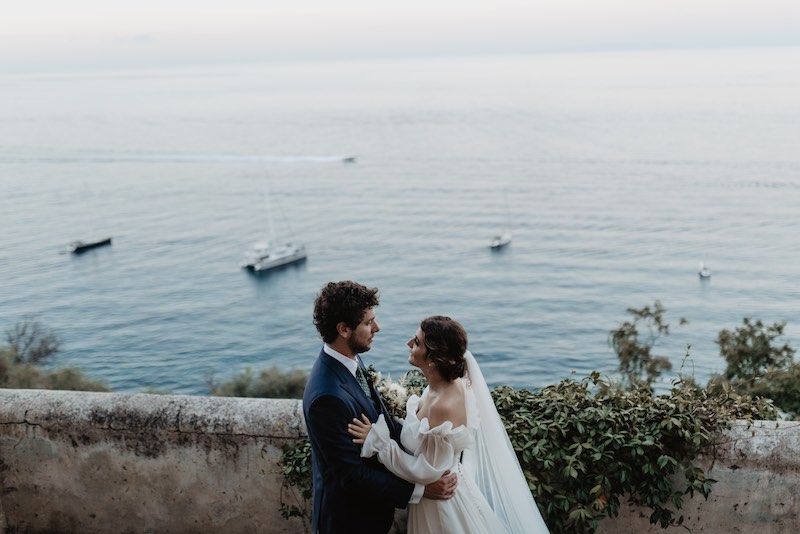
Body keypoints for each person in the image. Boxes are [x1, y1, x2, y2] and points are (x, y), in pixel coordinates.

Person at [347, 316, 550, 534]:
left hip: (441, 508)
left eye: (416, 342)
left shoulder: (443, 404)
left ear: (433, 358)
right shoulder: (442, 386)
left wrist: (378, 443)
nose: (408, 343)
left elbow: (426, 472)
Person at [303, 281, 457, 534]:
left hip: (373, 516)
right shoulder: (327, 397)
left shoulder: (351, 360)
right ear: (343, 329)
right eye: (368, 323)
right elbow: (352, 476)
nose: (377, 328)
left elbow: (381, 420)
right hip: (350, 523)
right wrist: (422, 489)